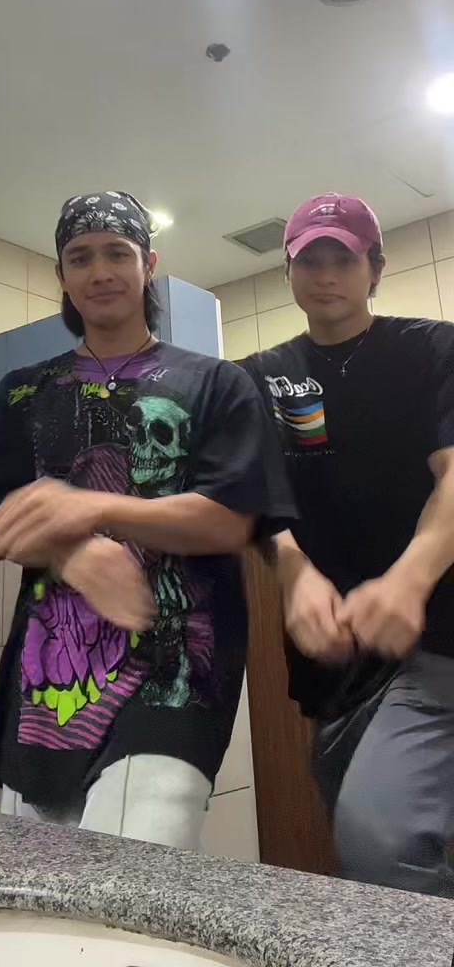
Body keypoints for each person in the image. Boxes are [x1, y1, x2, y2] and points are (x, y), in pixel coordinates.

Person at [0, 191, 293, 850]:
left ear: (148, 264)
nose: (100, 272)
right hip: (49, 679)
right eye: (80, 257)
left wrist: (95, 508)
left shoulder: (216, 384)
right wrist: (74, 554)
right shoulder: (21, 393)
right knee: (33, 886)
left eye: (117, 254)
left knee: (131, 883)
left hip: (175, 676)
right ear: (61, 275)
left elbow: (232, 518)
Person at [241, 193, 454, 898]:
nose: (326, 274)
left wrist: (410, 579)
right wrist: (295, 574)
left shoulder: (432, 349)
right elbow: (260, 501)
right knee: (366, 857)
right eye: (310, 260)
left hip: (436, 638)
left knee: (381, 843)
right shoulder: (260, 376)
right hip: (332, 658)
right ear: (289, 271)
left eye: (344, 258)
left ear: (376, 270)